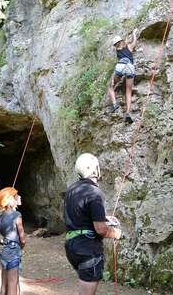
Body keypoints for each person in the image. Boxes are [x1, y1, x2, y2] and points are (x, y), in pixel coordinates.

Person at [64, 153, 122, 295]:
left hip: (72, 247)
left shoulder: (72, 190)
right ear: (94, 169)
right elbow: (100, 229)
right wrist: (116, 233)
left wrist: (104, 217)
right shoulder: (94, 192)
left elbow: (79, 215)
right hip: (87, 249)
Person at [0, 187, 26, 295]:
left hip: (4, 252)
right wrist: (21, 247)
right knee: (13, 285)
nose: (18, 197)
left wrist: (2, 242)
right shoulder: (17, 215)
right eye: (16, 195)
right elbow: (22, 239)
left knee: (4, 286)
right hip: (14, 251)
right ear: (10, 199)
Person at [107, 29, 139, 123]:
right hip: (129, 66)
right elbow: (134, 41)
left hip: (120, 66)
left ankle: (114, 104)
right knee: (128, 91)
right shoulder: (129, 47)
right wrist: (134, 33)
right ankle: (128, 113)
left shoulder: (117, 50)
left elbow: (117, 44)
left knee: (111, 86)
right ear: (122, 41)